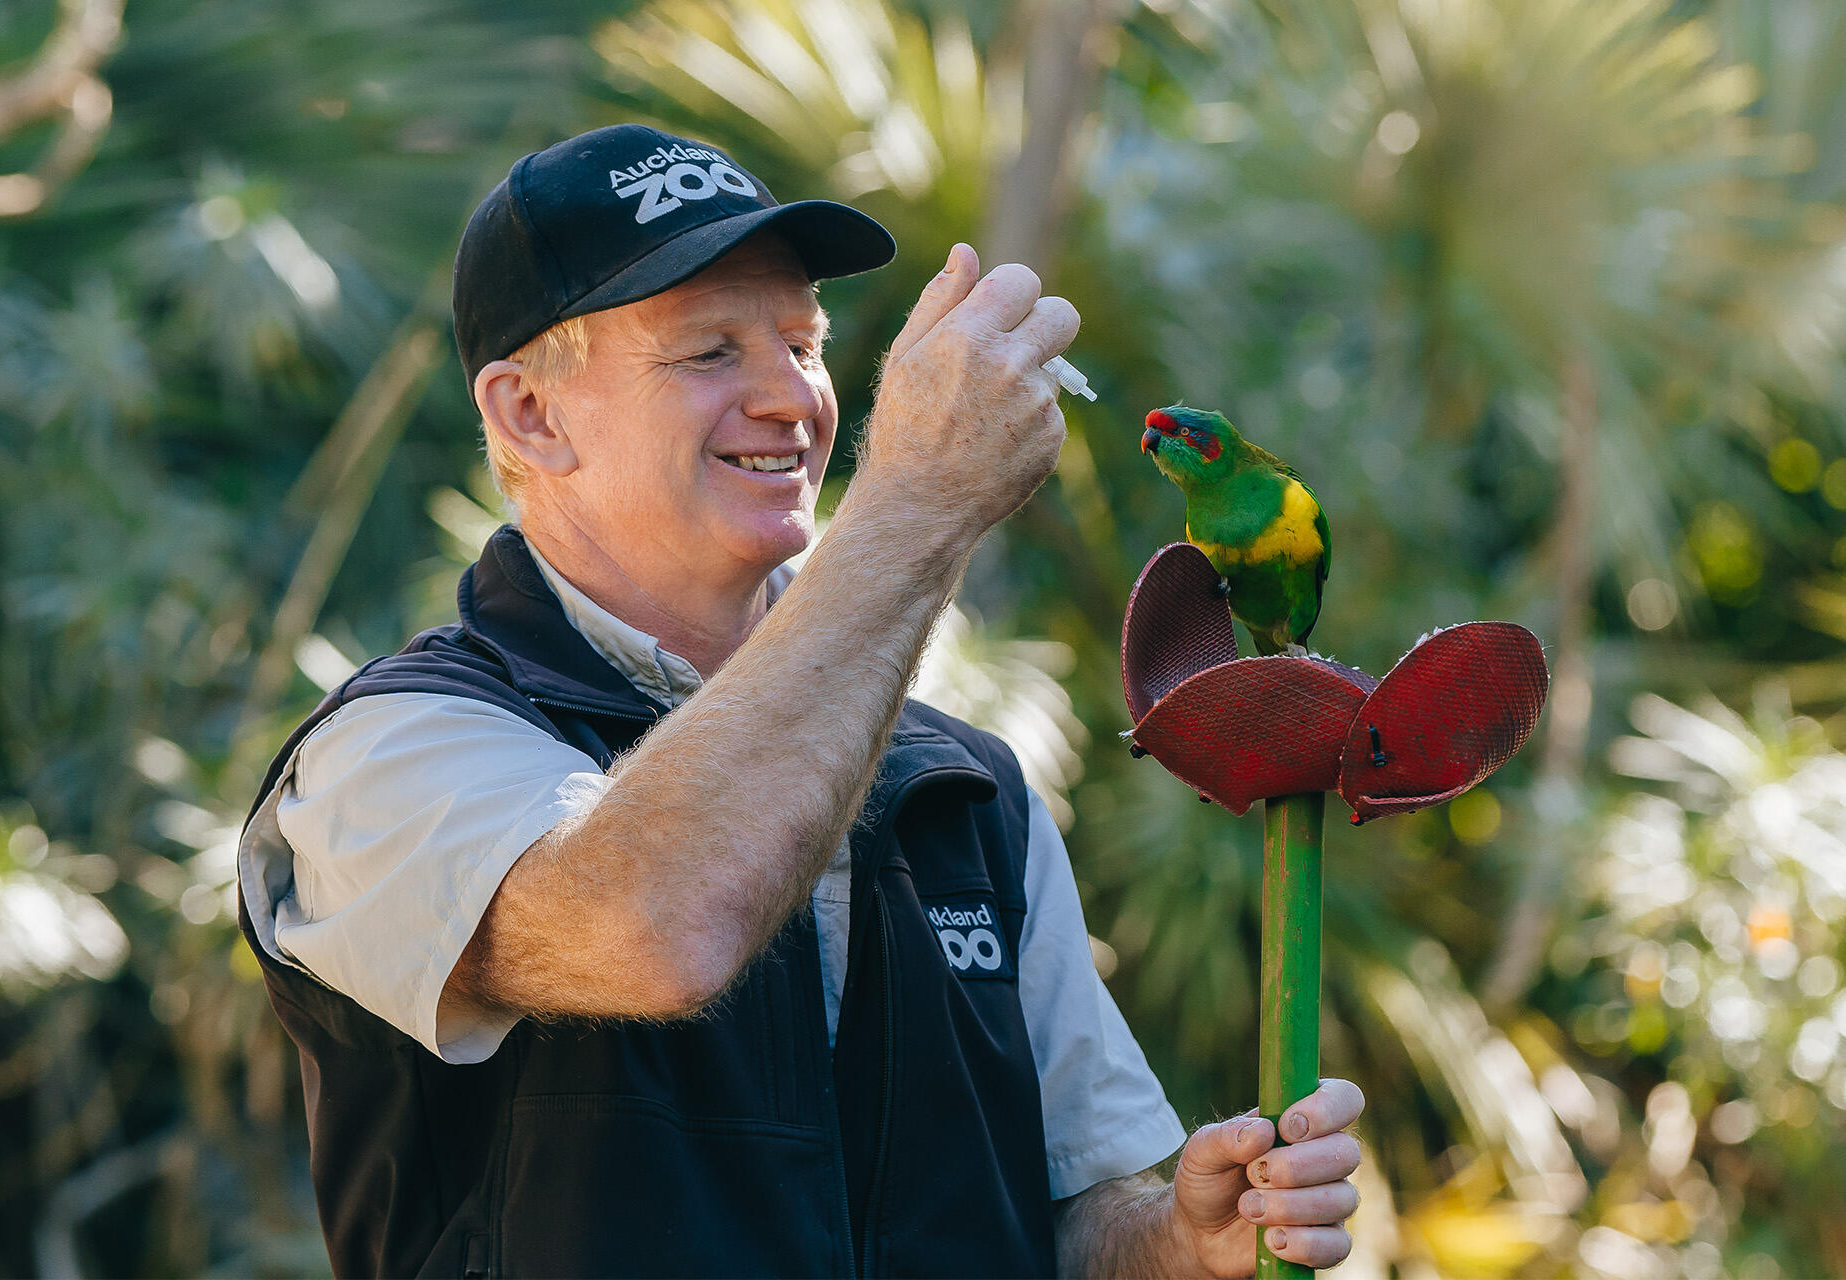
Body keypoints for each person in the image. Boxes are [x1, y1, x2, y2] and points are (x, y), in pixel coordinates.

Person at [236, 123, 1364, 1278]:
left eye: (804, 342)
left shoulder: (968, 790)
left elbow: (1073, 1217)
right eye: (710, 352)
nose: (793, 398)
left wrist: (1188, 1237)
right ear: (530, 413)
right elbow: (650, 925)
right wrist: (918, 501)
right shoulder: (387, 753)